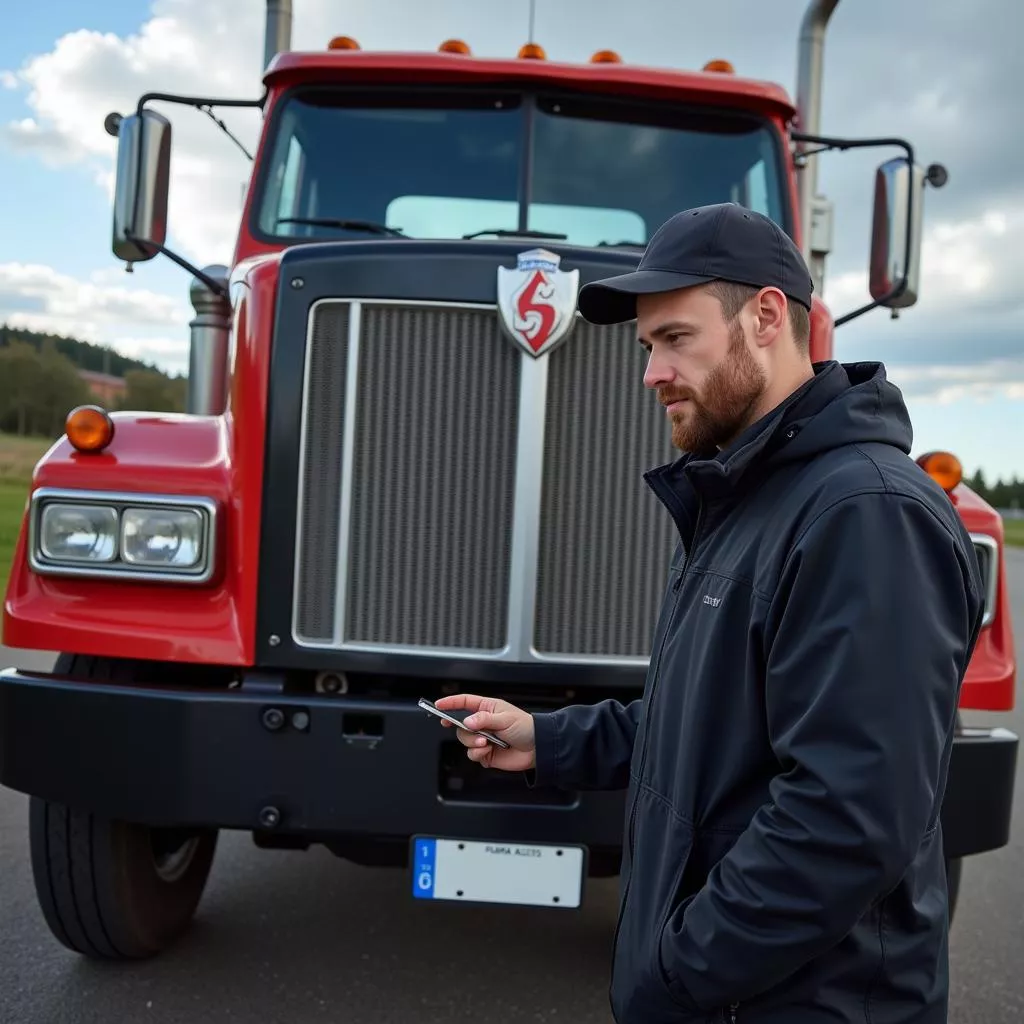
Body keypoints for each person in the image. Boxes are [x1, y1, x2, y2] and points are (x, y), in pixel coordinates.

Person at [434, 202, 984, 1024]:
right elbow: (714, 724)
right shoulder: (749, 500)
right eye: (647, 347)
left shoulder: (863, 515)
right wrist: (549, 739)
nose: (651, 372)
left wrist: (675, 976)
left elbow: (845, 821)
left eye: (676, 339)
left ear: (765, 316)